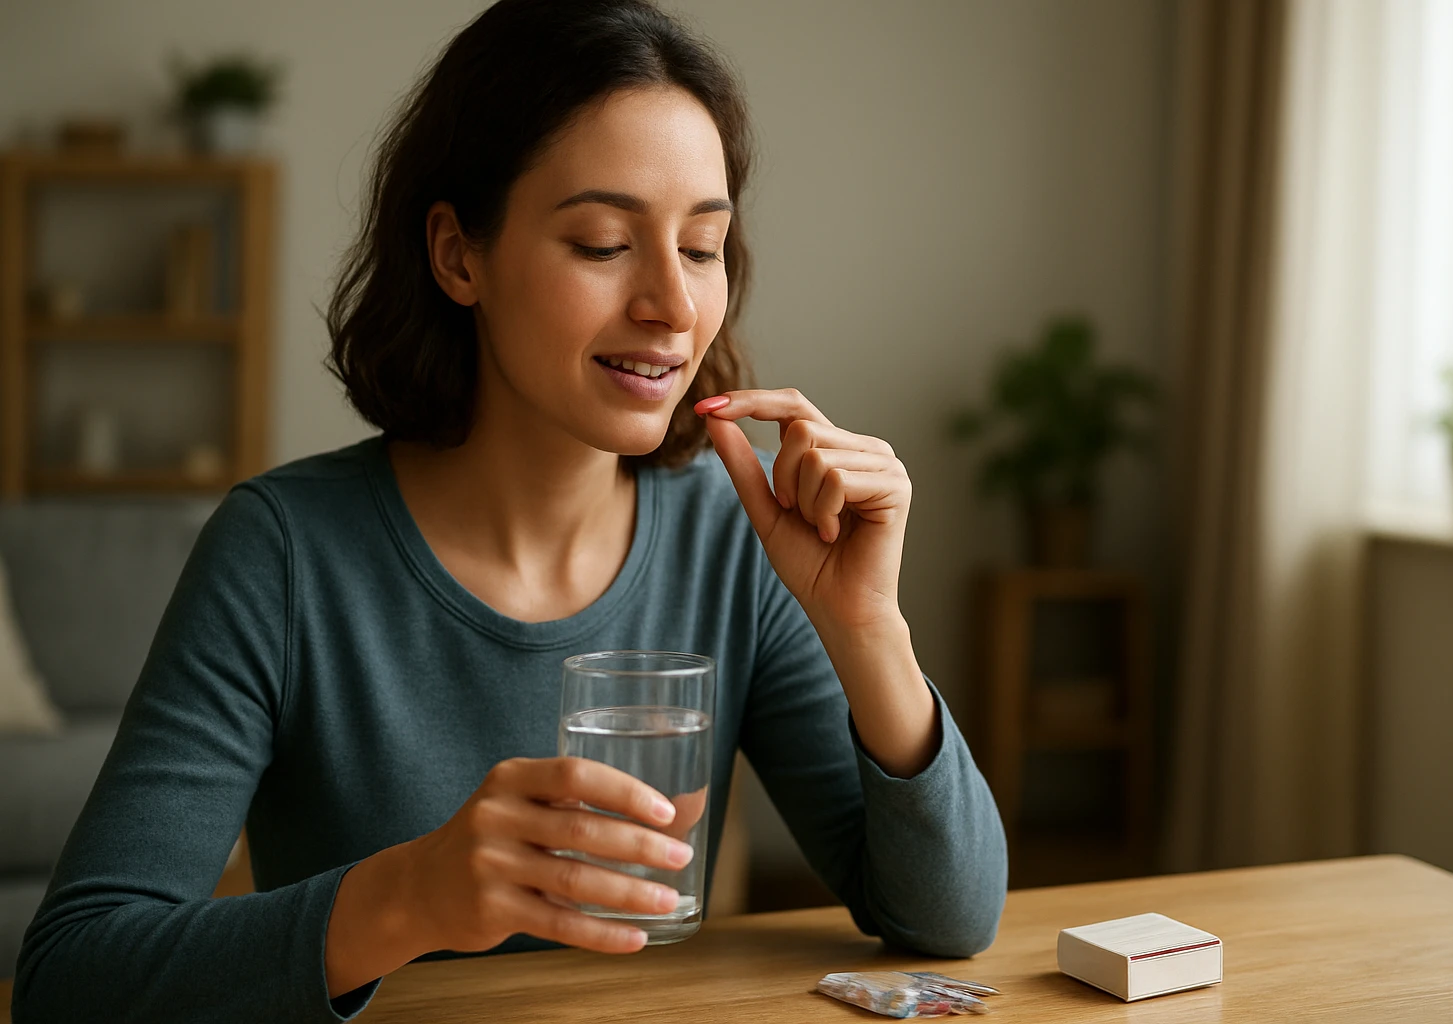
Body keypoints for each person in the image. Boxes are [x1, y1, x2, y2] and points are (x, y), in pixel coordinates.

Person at [11, 1, 1007, 1020]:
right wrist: (412, 895)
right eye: (603, 242)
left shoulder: (732, 528)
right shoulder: (284, 552)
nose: (672, 303)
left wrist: (868, 627)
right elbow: (70, 978)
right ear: (458, 256)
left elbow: (948, 919)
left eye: (703, 246)